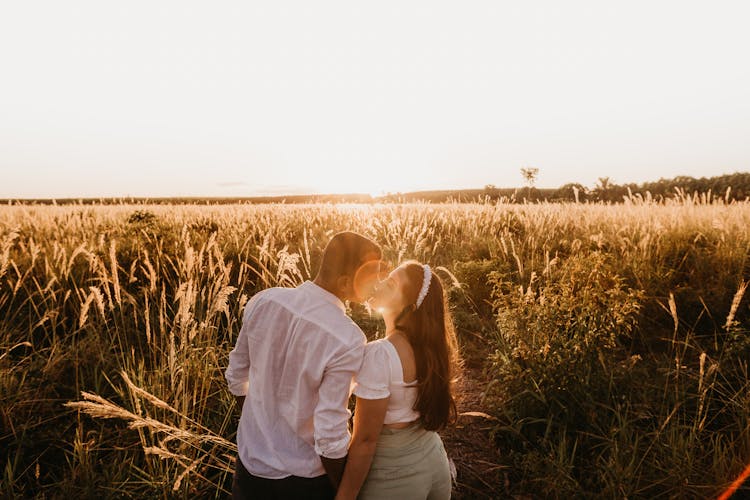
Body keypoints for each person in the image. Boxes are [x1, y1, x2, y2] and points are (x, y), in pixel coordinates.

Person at [225, 231, 382, 500]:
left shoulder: (264, 300)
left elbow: (236, 377)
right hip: (304, 482)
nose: (377, 284)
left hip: (249, 468)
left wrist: (262, 425)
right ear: (345, 283)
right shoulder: (347, 338)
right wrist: (342, 490)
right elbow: (329, 434)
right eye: (370, 277)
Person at [335, 261, 460, 500]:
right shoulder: (431, 348)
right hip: (434, 463)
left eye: (390, 284)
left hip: (394, 479)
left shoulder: (380, 354)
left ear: (409, 307)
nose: (379, 284)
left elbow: (365, 440)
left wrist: (344, 496)